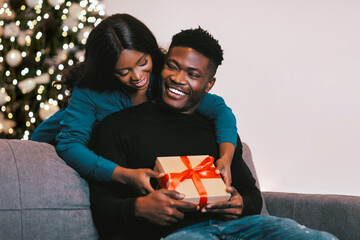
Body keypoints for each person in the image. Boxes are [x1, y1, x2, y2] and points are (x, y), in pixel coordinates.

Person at [88, 27, 338, 240]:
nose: (177, 78)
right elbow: (101, 207)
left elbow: (250, 195)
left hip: (240, 228)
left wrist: (239, 204)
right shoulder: (117, 126)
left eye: (193, 74)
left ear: (209, 84)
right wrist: (139, 208)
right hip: (177, 234)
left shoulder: (218, 131)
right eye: (172, 67)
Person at [29, 13, 237, 192]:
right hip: (54, 131)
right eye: (124, 71)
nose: (138, 76)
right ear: (107, 70)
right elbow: (70, 144)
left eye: (142, 62)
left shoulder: (163, 77)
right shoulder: (89, 90)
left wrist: (225, 158)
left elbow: (218, 109)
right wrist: (123, 174)